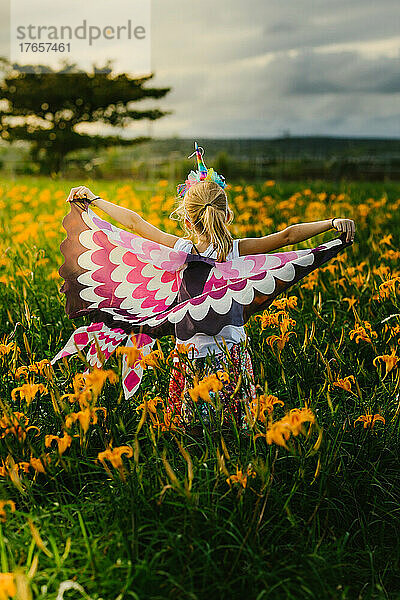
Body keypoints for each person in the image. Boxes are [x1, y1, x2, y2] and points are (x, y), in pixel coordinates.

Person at [62, 142, 355, 433]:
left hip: (188, 353)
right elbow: (288, 236)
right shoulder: (236, 251)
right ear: (227, 217)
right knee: (233, 427)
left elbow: (136, 224)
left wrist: (95, 199)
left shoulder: (180, 251)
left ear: (188, 221)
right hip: (231, 352)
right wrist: (331, 223)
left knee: (192, 429)